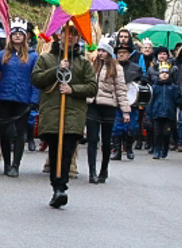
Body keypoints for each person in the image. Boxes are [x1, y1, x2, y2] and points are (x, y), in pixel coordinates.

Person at [31, 24, 97, 209]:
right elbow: (36, 79)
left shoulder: (84, 63)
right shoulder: (45, 58)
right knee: (55, 151)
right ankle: (56, 186)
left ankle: (61, 187)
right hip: (52, 112)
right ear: (59, 35)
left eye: (74, 34)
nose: (70, 37)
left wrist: (72, 89)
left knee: (67, 150)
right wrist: (56, 70)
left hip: (73, 114)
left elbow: (92, 87)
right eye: (66, 33)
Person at [0, 18, 39, 177]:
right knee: (5, 132)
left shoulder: (33, 57)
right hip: (5, 97)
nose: (17, 36)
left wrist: (34, 100)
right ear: (10, 37)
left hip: (23, 100)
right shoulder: (2, 55)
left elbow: (35, 80)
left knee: (20, 133)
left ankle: (16, 165)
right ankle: (7, 163)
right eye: (15, 34)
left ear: (26, 37)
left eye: (20, 34)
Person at [84, 41, 129, 182]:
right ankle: (92, 172)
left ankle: (104, 169)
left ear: (109, 52)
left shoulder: (116, 68)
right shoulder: (93, 66)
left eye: (103, 51)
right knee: (92, 139)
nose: (100, 53)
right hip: (93, 105)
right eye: (99, 50)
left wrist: (125, 110)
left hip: (109, 106)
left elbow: (121, 89)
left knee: (106, 140)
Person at [111, 43, 143, 161]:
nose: (121, 55)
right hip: (116, 101)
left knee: (132, 127)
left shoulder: (136, 68)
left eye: (124, 53)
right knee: (117, 127)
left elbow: (141, 82)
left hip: (131, 102)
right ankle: (117, 150)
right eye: (119, 53)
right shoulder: (112, 67)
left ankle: (129, 148)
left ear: (129, 55)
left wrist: (143, 81)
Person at [147, 62, 182, 159]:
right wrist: (149, 115)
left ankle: (164, 148)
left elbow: (176, 100)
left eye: (166, 73)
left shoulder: (173, 87)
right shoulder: (154, 87)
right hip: (157, 113)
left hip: (169, 114)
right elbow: (150, 101)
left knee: (166, 133)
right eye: (162, 73)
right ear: (159, 74)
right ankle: (157, 150)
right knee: (157, 133)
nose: (164, 75)